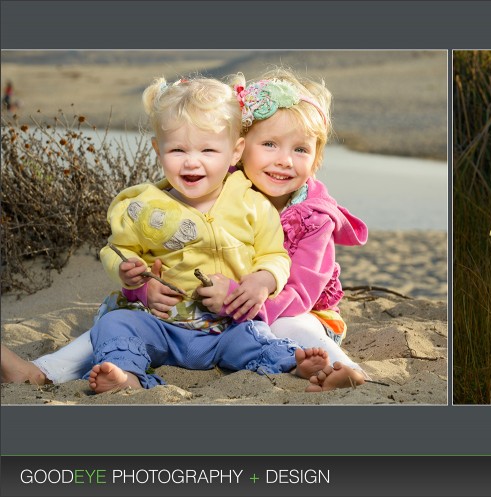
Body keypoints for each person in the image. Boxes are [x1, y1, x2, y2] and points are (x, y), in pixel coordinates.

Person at [1, 69, 369, 392]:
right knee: (113, 326)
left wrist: (246, 296)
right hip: (200, 315)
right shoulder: (216, 189)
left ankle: (342, 369)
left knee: (296, 326)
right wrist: (144, 280)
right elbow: (142, 240)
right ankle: (42, 371)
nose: (284, 160)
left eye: (301, 149)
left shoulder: (314, 217)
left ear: (317, 159)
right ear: (240, 150)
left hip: (283, 312)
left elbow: (300, 292)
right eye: (269, 144)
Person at [85, 76, 332, 392]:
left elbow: (275, 254)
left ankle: (294, 363)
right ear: (157, 150)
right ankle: (126, 376)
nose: (192, 161)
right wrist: (134, 277)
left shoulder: (252, 203)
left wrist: (264, 279)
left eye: (208, 150)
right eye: (177, 149)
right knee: (115, 324)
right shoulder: (145, 205)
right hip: (162, 326)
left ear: (234, 152)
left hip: (227, 328)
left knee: (255, 337)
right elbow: (117, 248)